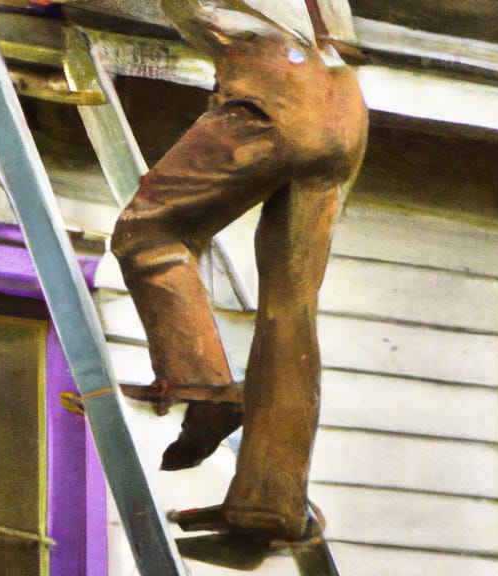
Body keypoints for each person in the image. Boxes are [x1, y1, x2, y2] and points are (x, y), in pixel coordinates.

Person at [112, 0, 368, 541]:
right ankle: (270, 503)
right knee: (290, 308)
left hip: (276, 94)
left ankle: (202, 384)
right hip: (344, 109)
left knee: (149, 233)